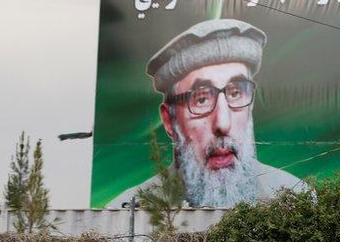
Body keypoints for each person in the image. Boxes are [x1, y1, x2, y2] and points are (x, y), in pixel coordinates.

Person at [110, 19, 306, 208]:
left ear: (251, 104)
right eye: (201, 99)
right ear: (169, 120)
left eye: (235, 93)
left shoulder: (296, 198)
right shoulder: (128, 212)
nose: (223, 123)